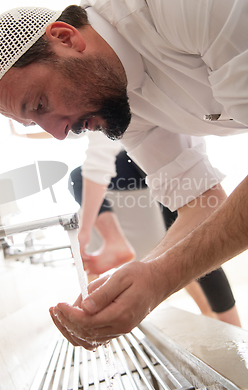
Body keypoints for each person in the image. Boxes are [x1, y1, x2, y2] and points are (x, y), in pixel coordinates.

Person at [0, 0, 248, 349]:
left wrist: (160, 278)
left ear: (65, 38)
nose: (58, 133)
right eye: (37, 126)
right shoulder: (118, 101)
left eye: (41, 104)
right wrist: (137, 279)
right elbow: (202, 202)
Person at [68, 131, 240, 325]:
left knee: (193, 239)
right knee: (182, 244)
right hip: (149, 165)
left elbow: (98, 162)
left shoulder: (115, 118)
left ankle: (229, 322)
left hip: (161, 159)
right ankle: (220, 318)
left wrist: (83, 234)